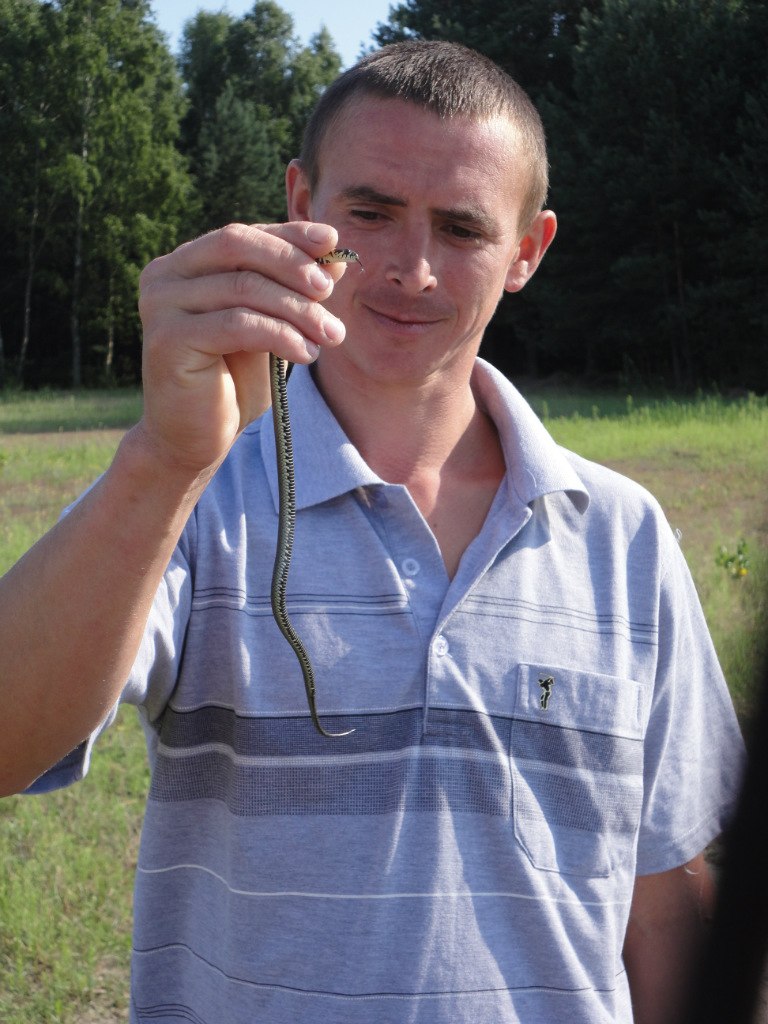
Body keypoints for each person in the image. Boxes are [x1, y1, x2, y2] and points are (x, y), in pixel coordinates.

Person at [0, 40, 744, 1024]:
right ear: (300, 202)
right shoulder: (191, 496)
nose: (412, 268)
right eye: (371, 212)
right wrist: (162, 461)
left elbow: (662, 901)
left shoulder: (622, 536)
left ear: (528, 250)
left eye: (463, 227)